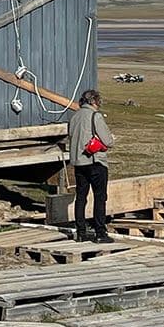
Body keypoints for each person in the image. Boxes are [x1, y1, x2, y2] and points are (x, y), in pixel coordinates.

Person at [68, 88, 115, 243]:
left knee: (81, 197)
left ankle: (81, 232)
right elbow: (108, 141)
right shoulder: (96, 116)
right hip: (95, 161)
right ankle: (100, 233)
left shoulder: (74, 117)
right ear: (94, 101)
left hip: (79, 163)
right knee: (100, 198)